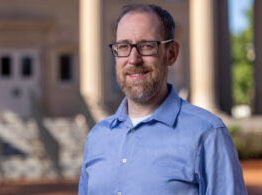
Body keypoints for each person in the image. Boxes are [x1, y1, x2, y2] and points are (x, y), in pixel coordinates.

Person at [78, 3, 247, 195]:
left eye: (147, 46)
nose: (133, 59)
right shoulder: (97, 138)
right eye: (123, 46)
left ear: (172, 54)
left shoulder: (207, 134)